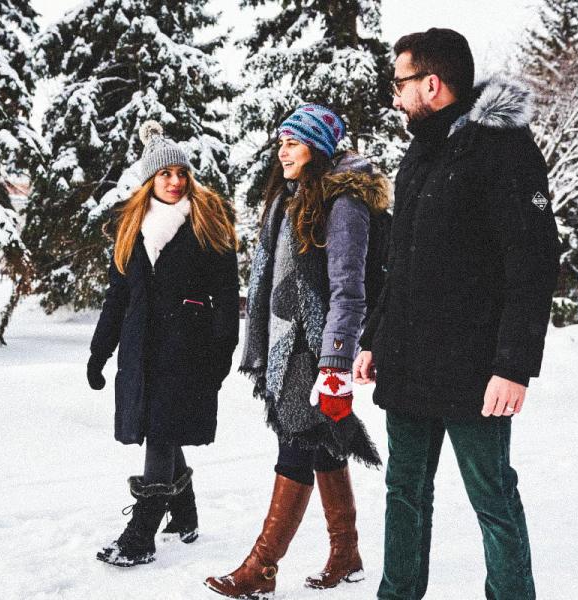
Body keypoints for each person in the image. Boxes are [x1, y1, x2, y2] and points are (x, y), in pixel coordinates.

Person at [353, 29, 563, 599]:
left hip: (476, 372)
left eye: (399, 83)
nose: (393, 96)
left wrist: (514, 364)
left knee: (492, 498)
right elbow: (404, 262)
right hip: (410, 363)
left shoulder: (502, 148)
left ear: (432, 83)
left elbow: (534, 259)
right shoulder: (419, 154)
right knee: (404, 492)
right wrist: (375, 337)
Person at [204, 104, 389, 598]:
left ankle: (262, 567)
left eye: (293, 141)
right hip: (289, 342)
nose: (281, 150)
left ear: (318, 148)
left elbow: (349, 288)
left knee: (295, 447)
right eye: (280, 141)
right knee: (320, 443)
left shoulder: (342, 203)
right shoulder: (292, 198)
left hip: (313, 347)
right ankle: (346, 552)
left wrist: (333, 364)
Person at [87, 120, 240, 567]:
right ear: (149, 179)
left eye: (181, 174)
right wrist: (100, 352)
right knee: (161, 429)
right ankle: (186, 516)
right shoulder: (132, 227)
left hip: (188, 351)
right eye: (164, 174)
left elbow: (227, 297)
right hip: (141, 350)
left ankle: (140, 536)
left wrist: (221, 353)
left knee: (160, 431)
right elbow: (119, 296)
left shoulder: (208, 221)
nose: (174, 182)